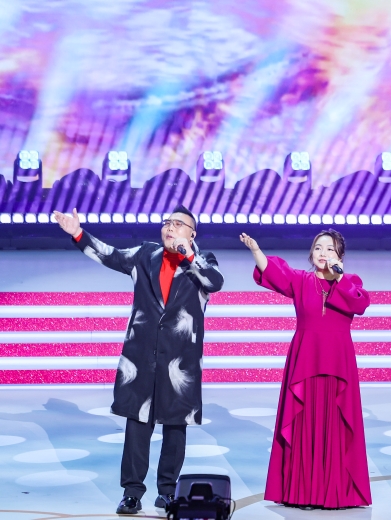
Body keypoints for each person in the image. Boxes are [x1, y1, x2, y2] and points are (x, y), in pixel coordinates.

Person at [53, 205, 224, 515]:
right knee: (137, 424)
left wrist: (188, 255)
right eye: (167, 222)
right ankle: (132, 492)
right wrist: (78, 234)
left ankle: (168, 491)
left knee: (175, 427)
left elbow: (215, 282)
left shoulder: (203, 261)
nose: (170, 227)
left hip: (180, 362)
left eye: (178, 224)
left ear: (192, 234)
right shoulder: (146, 255)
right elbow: (111, 255)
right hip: (142, 355)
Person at [240, 229, 371, 509]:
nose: (323, 253)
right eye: (318, 248)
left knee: (336, 425)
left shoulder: (350, 281)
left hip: (338, 363)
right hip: (306, 360)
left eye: (330, 249)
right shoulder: (301, 281)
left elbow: (360, 303)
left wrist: (340, 278)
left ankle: (336, 493)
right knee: (304, 423)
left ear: (340, 255)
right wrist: (256, 250)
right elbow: (274, 272)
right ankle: (304, 493)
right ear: (311, 254)